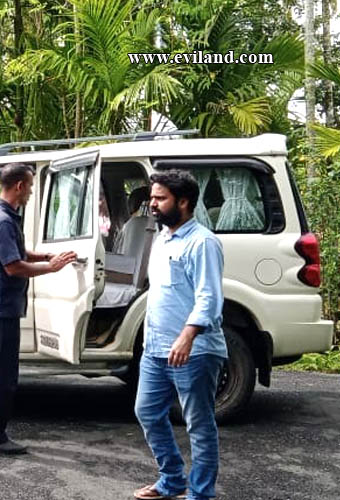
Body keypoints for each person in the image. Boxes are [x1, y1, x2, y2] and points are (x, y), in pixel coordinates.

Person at [0, 163, 77, 455]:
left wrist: (46, 255)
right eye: (29, 186)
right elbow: (13, 266)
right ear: (18, 186)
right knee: (4, 375)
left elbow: (16, 250)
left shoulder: (0, 214)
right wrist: (49, 268)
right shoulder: (1, 220)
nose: (30, 191)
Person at [133, 170, 227, 500]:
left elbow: (210, 298)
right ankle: (172, 478)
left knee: (199, 424)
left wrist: (187, 336)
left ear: (183, 202)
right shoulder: (162, 239)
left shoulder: (202, 242)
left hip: (195, 350)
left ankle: (200, 494)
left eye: (160, 199)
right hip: (156, 349)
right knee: (146, 412)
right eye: (152, 198)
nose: (152, 204)